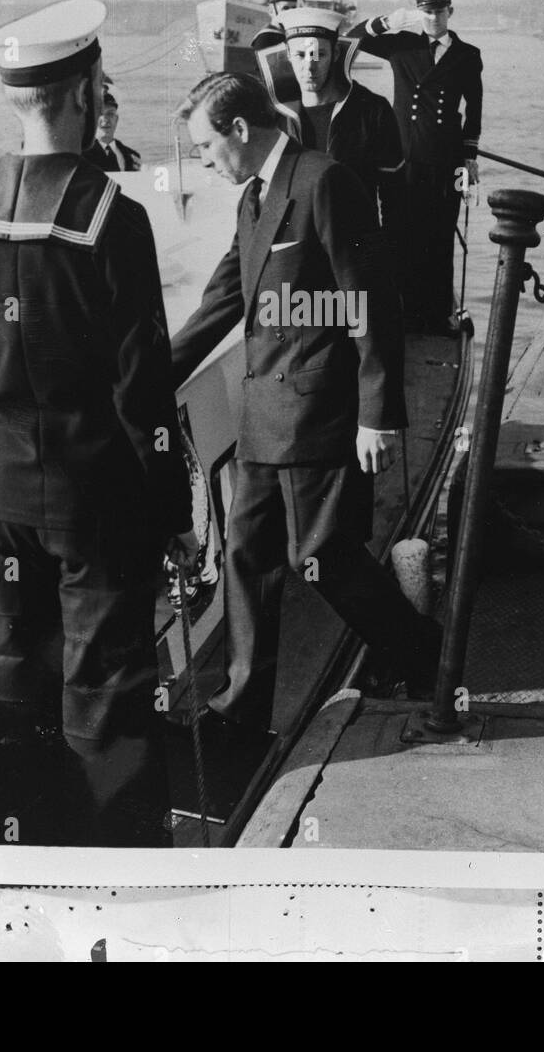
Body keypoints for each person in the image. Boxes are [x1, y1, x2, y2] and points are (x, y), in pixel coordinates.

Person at [0, 0, 196, 846]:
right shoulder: (109, 218)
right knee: (106, 695)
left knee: (16, 688)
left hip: (2, 492)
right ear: (87, 91)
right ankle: (122, 863)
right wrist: (173, 515)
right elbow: (142, 395)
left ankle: (30, 856)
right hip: (96, 496)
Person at [169, 72, 442, 735]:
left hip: (319, 408)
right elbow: (223, 299)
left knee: (322, 557)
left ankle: (418, 649)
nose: (203, 162)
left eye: (205, 147)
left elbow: (370, 299)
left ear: (239, 130)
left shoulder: (323, 182)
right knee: (244, 553)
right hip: (263, 411)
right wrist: (152, 372)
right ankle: (240, 711)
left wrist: (377, 413)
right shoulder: (253, 198)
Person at [349, 0, 483, 333]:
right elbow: (352, 39)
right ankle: (398, 312)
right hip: (402, 157)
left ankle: (437, 315)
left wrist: (470, 159)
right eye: (426, 11)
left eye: (439, 11)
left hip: (446, 159)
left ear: (450, 12)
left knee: (439, 237)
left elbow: (475, 111)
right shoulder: (401, 45)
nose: (433, 17)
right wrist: (386, 21)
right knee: (397, 234)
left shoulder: (468, 55)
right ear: (419, 13)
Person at [254, 5, 409, 286]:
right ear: (288, 56)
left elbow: (396, 200)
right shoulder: (276, 116)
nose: (309, 66)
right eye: (300, 55)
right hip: (294, 264)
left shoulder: (372, 110)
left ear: (336, 54)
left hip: (355, 261)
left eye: (319, 55)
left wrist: (390, 271)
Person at [83, 82, 141, 171]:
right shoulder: (82, 156)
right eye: (99, 114)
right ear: (92, 120)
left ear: (116, 119)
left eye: (110, 114)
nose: (105, 119)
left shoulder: (132, 156)